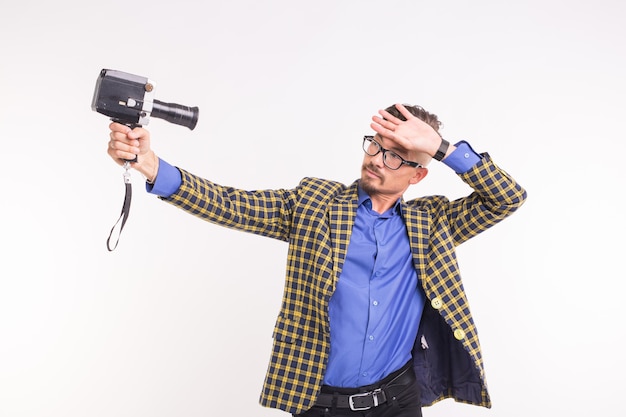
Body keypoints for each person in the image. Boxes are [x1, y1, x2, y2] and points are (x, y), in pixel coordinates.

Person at [107, 103, 527, 417]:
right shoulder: (315, 203)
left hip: (398, 400)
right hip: (318, 403)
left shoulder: (433, 221)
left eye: (397, 155)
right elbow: (231, 204)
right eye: (376, 146)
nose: (377, 160)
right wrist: (152, 167)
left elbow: (508, 197)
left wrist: (441, 147)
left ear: (419, 173)